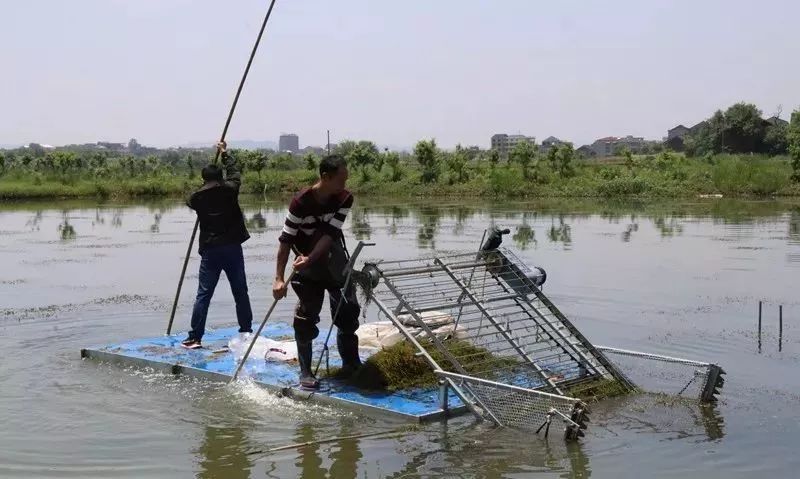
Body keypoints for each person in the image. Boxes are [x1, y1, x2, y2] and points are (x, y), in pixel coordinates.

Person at [273, 154, 361, 389]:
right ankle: (305, 372)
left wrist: (313, 257)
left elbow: (330, 234)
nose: (345, 184)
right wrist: (279, 278)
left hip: (332, 258)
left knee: (347, 309)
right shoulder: (300, 202)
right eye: (341, 179)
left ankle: (351, 365)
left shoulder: (344, 198)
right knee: (306, 315)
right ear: (325, 177)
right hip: (305, 264)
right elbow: (285, 240)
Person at [181, 141, 253, 349]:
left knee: (204, 293)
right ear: (220, 177)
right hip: (232, 247)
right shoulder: (230, 189)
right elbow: (235, 173)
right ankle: (246, 331)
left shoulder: (197, 197)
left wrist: (204, 186)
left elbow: (189, 199)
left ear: (204, 179)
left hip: (211, 249)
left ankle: (195, 337)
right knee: (240, 290)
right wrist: (224, 153)